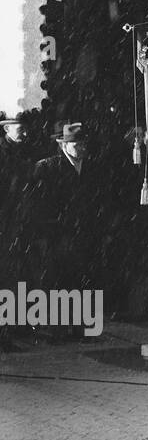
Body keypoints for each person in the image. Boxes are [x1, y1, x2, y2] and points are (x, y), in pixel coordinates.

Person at [30, 123, 98, 342]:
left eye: (83, 143)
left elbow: (99, 201)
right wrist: (47, 232)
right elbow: (39, 204)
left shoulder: (93, 167)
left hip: (85, 234)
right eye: (76, 144)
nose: (81, 148)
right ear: (64, 145)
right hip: (58, 235)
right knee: (59, 282)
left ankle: (83, 329)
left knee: (85, 280)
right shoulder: (47, 168)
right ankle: (57, 330)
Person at [1, 114, 37, 350]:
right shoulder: (6, 155)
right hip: (6, 221)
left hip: (15, 222)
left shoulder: (18, 153)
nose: (23, 132)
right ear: (6, 130)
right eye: (19, 128)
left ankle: (9, 329)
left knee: (13, 275)